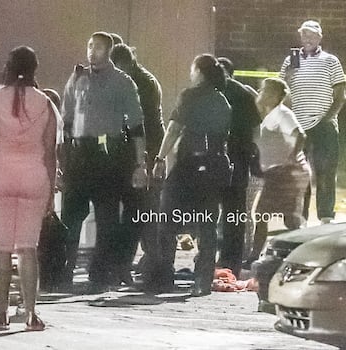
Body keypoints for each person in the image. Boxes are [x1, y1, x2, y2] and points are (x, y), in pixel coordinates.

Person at [0, 46, 57, 331]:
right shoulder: (46, 103)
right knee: (28, 249)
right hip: (34, 178)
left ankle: (2, 314)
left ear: (7, 68)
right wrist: (52, 191)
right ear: (35, 70)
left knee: (2, 250)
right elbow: (51, 153)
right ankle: (31, 315)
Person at [60, 32, 145, 292]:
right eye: (89, 45)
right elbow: (66, 120)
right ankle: (63, 271)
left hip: (108, 152)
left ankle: (100, 274)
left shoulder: (122, 82)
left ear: (109, 50)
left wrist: (141, 163)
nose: (91, 51)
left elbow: (136, 126)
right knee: (70, 216)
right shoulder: (77, 78)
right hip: (79, 151)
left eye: (97, 47)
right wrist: (61, 159)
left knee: (107, 217)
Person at [153, 54, 231, 297]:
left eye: (192, 69)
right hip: (216, 166)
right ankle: (202, 280)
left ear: (199, 72)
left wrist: (160, 157)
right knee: (208, 224)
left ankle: (164, 275)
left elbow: (175, 128)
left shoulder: (189, 96)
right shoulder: (223, 101)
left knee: (167, 219)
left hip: (188, 165)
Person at [279, 20, 345, 224]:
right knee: (300, 174)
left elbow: (340, 94)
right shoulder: (290, 61)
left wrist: (327, 119)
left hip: (324, 125)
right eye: (304, 35)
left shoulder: (330, 61)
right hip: (297, 127)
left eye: (312, 35)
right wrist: (288, 75)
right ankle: (300, 217)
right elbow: (279, 91)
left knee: (326, 171)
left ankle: (325, 216)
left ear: (320, 38)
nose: (307, 39)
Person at [110, 43, 164, 288]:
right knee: (140, 209)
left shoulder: (138, 83)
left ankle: (143, 265)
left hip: (142, 150)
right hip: (142, 149)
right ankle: (143, 264)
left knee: (139, 210)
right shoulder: (143, 79)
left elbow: (137, 121)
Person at [248, 78, 310, 261]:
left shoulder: (283, 114)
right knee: (265, 214)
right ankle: (256, 255)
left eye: (264, 90)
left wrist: (290, 159)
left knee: (286, 218)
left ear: (275, 95)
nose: (260, 93)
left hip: (289, 173)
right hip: (277, 173)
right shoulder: (270, 114)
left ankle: (299, 255)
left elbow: (301, 135)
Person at [215, 57, 260, 278]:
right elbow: (255, 128)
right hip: (238, 158)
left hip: (223, 157)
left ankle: (222, 257)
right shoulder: (246, 94)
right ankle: (230, 258)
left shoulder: (217, 92)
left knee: (222, 209)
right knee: (234, 211)